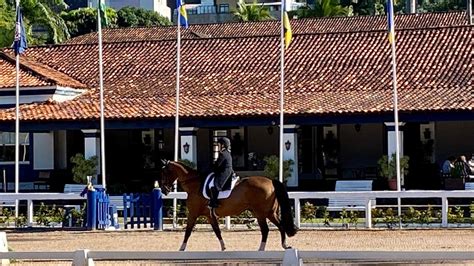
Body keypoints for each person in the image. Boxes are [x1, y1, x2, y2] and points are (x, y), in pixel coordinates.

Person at [209, 137, 233, 209]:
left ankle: (214, 202)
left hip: (224, 172)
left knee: (216, 186)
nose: (218, 146)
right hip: (228, 171)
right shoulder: (227, 153)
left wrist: (211, 169)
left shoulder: (223, 154)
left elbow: (218, 165)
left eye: (218, 144)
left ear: (222, 145)